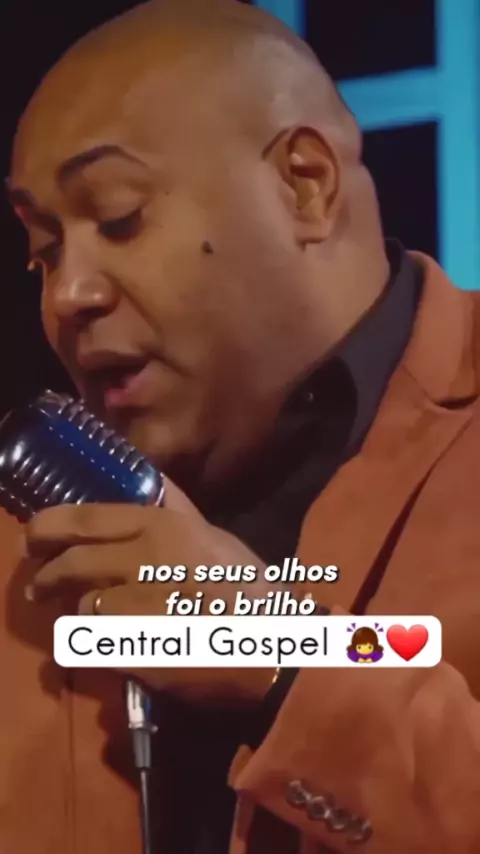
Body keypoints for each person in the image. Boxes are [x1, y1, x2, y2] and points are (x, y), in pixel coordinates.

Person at [4, 0, 480, 852]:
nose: (69, 294)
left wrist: (281, 654)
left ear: (305, 184)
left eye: (118, 217)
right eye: (44, 251)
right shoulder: (25, 543)